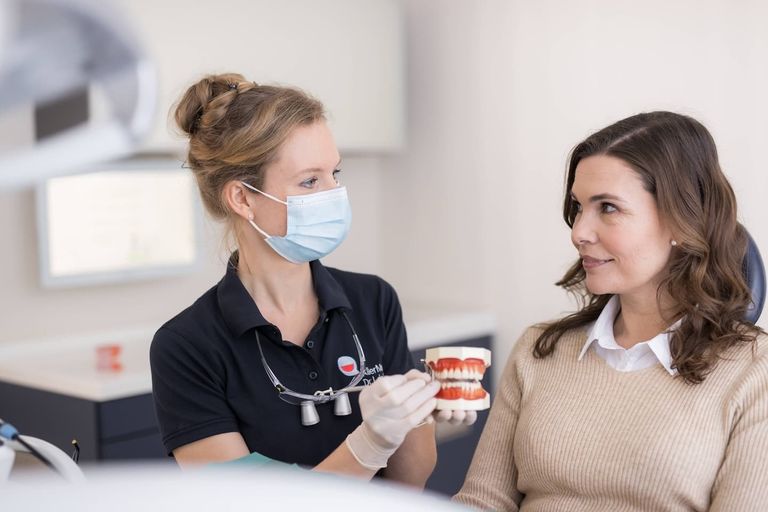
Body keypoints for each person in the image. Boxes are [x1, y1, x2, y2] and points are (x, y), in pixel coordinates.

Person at [150, 73, 469, 487]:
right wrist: (370, 441)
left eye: (335, 173)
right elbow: (248, 502)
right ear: (242, 198)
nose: (334, 193)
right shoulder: (187, 347)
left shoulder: (373, 300)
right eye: (310, 181)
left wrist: (416, 417)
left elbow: (408, 486)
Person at [454, 111, 768, 510]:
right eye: (579, 207)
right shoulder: (540, 349)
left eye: (608, 208)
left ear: (681, 220)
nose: (579, 232)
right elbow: (483, 500)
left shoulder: (754, 372)